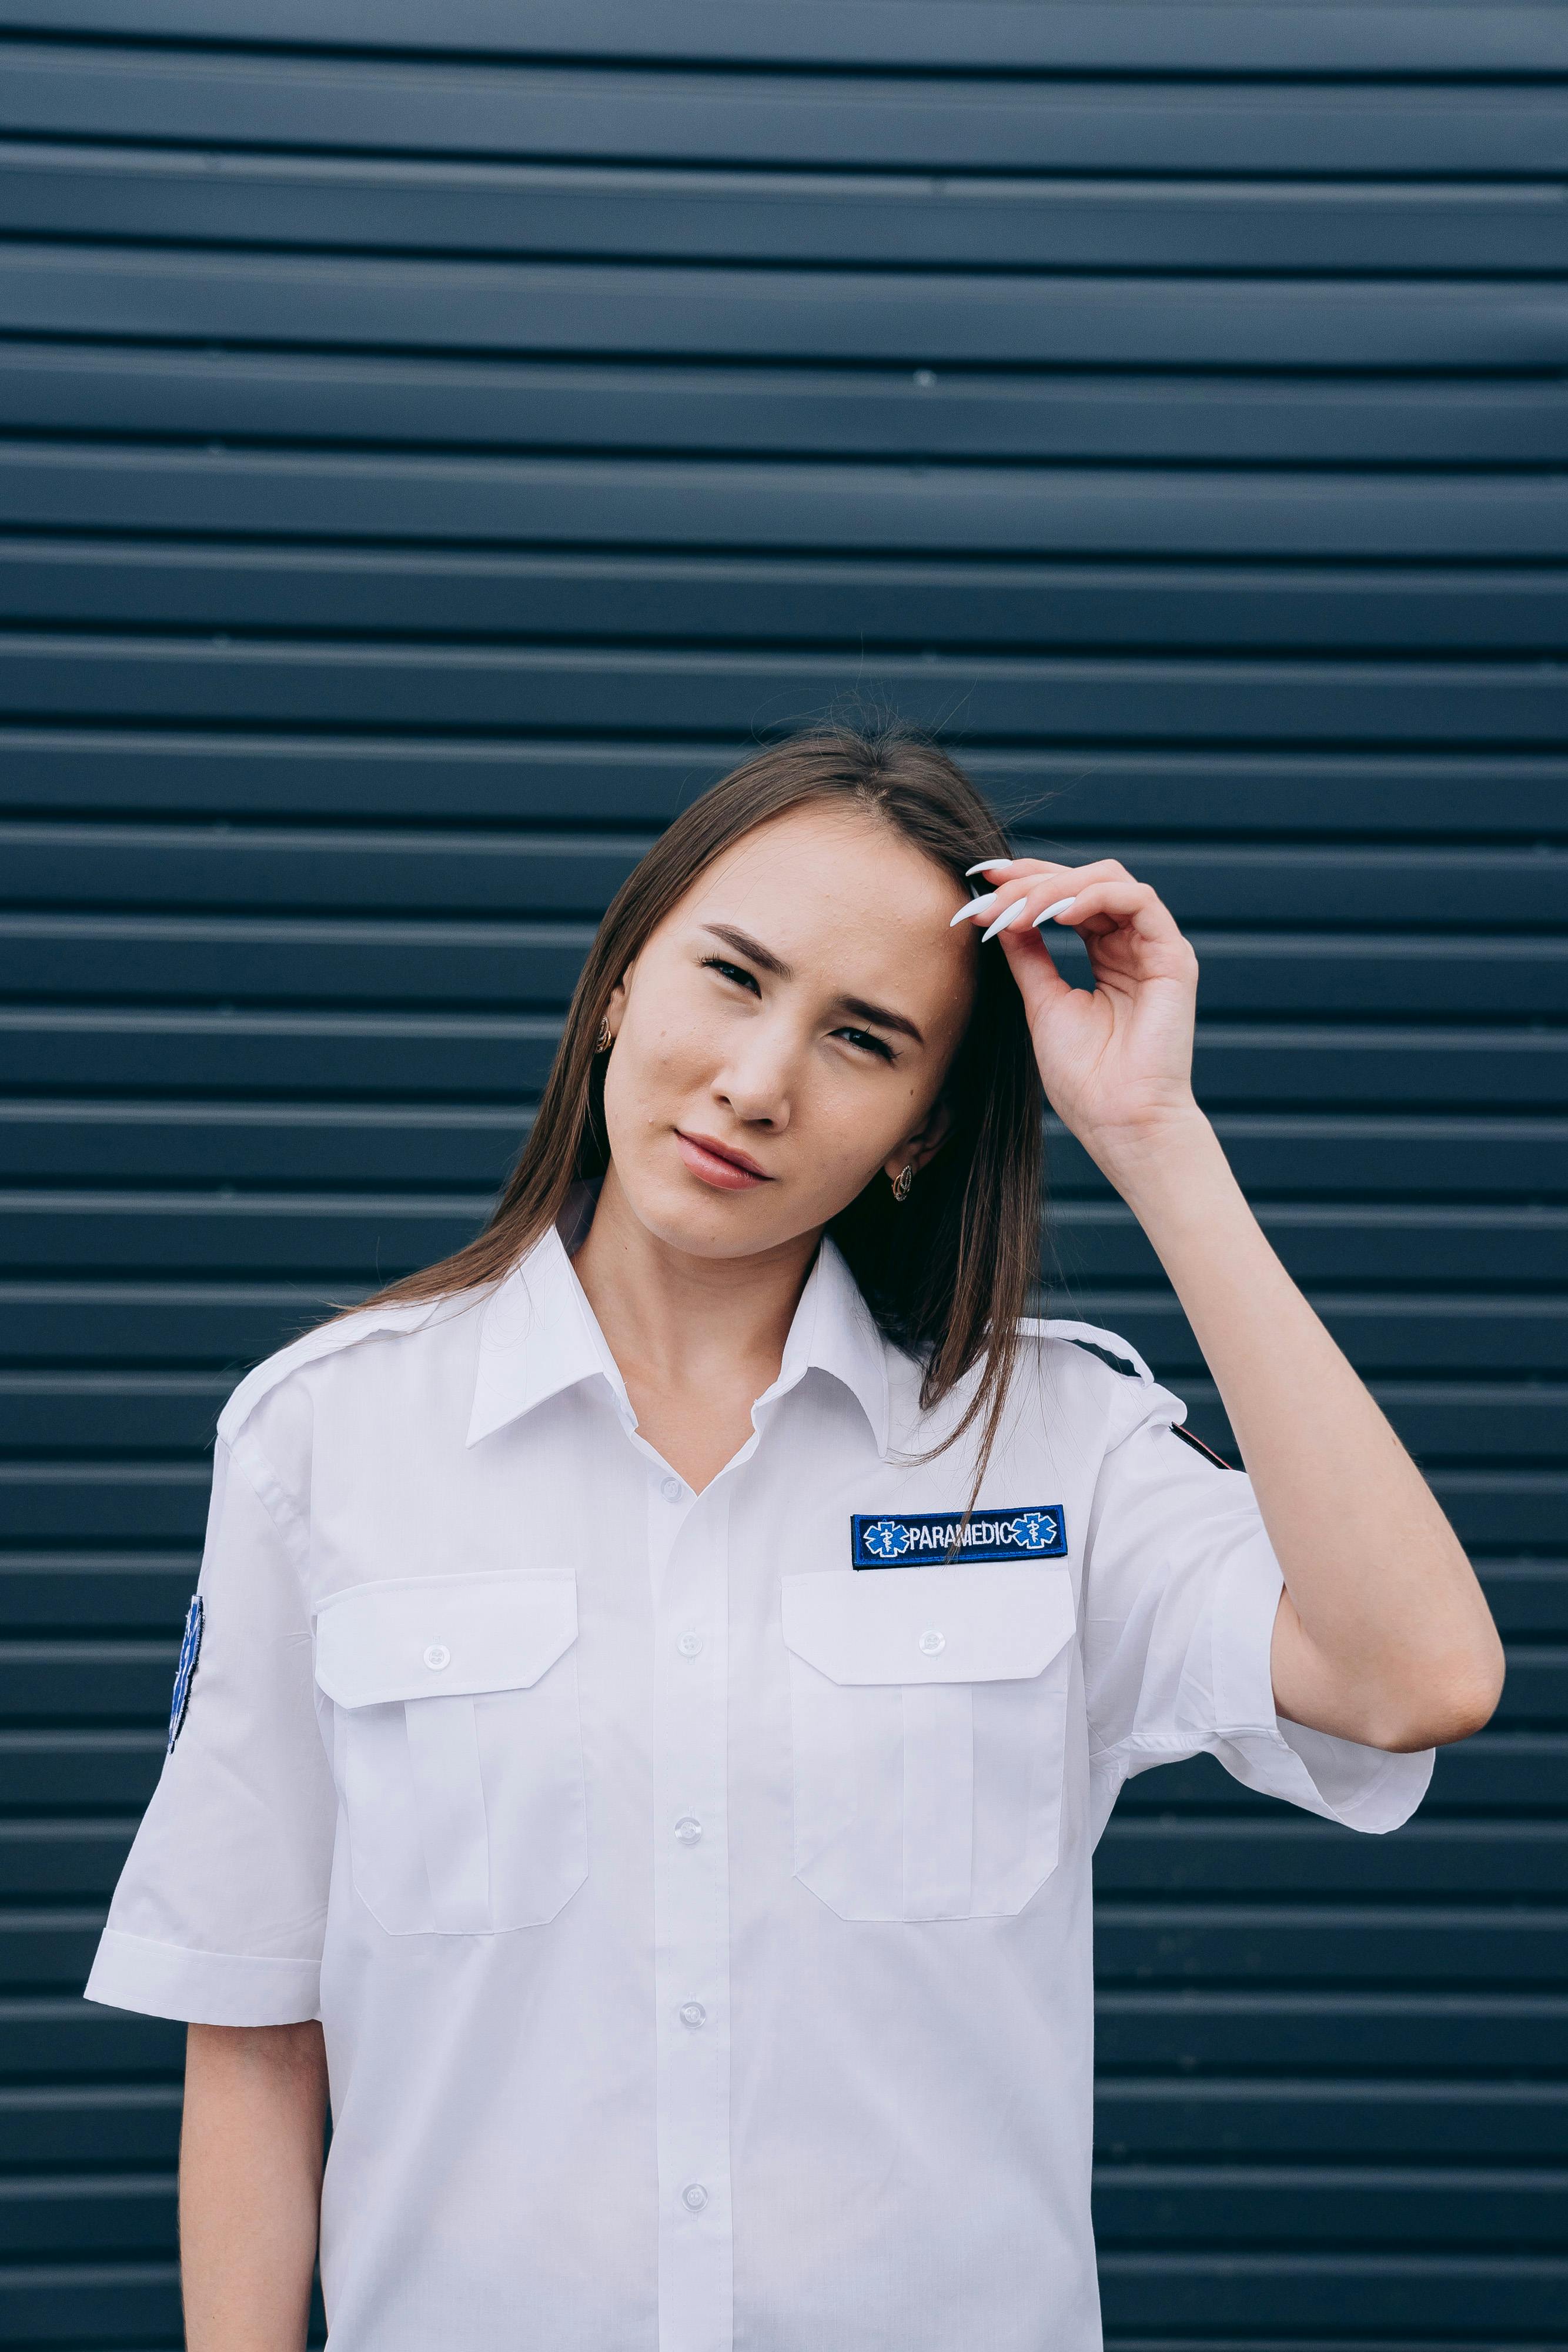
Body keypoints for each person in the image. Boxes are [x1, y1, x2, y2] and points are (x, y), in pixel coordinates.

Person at [85, 723, 1503, 2352]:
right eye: (731, 977)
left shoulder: (1045, 1444)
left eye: (863, 1039)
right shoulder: (325, 1436)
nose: (757, 1084)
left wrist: (1151, 1137)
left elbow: (1416, 1677)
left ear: (917, 1131)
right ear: (619, 982)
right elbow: (258, 2034)